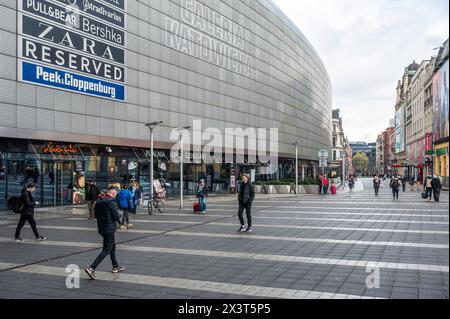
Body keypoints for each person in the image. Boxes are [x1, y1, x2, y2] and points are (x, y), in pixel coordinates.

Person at [85, 186, 125, 280]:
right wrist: (120, 214)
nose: (115, 196)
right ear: (113, 193)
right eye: (115, 194)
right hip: (109, 229)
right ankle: (92, 267)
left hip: (102, 228)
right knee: (107, 249)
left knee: (112, 246)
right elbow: (116, 215)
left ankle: (115, 265)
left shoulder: (99, 201)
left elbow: (96, 215)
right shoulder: (110, 202)